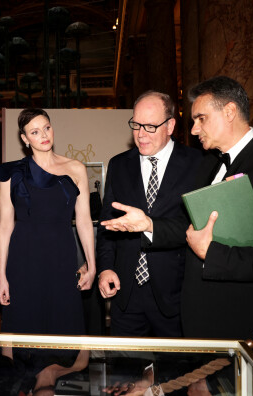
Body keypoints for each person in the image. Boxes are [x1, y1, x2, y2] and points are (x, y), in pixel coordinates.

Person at [101, 76, 253, 345]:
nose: (194, 130)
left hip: (242, 324)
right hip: (203, 319)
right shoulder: (211, 166)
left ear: (229, 112)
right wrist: (148, 224)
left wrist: (212, 253)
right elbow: (188, 229)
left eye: (201, 119)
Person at [96, 91, 202, 337]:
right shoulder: (119, 164)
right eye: (136, 124)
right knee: (125, 373)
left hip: (175, 293)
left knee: (178, 373)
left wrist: (149, 224)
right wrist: (105, 268)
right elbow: (106, 223)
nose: (140, 134)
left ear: (170, 126)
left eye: (150, 126)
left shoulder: (197, 163)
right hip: (126, 292)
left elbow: (196, 225)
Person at [0, 108, 96, 338]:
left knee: (63, 327)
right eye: (35, 132)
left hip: (62, 257)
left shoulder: (76, 168)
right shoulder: (11, 173)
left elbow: (84, 221)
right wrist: (2, 276)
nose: (44, 135)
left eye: (47, 128)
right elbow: (5, 226)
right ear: (24, 139)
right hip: (23, 258)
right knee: (23, 327)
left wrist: (91, 264)